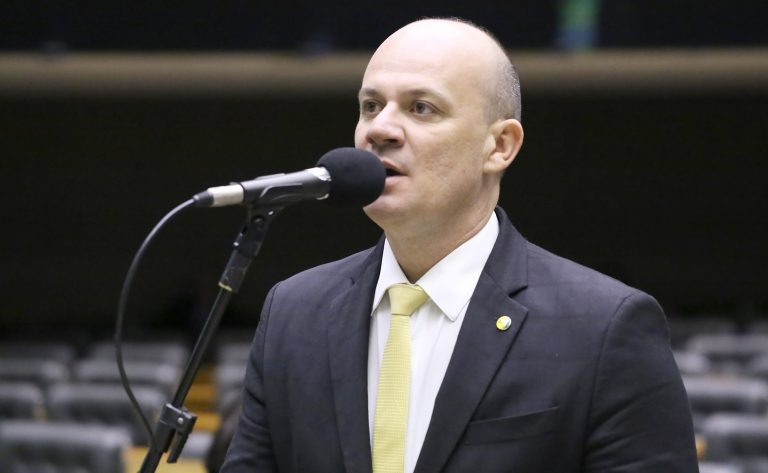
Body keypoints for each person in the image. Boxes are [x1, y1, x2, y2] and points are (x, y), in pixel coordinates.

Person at [221, 18, 699, 473]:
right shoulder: (293, 313)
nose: (379, 129)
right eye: (370, 106)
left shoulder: (605, 328)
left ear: (500, 146)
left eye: (421, 107)